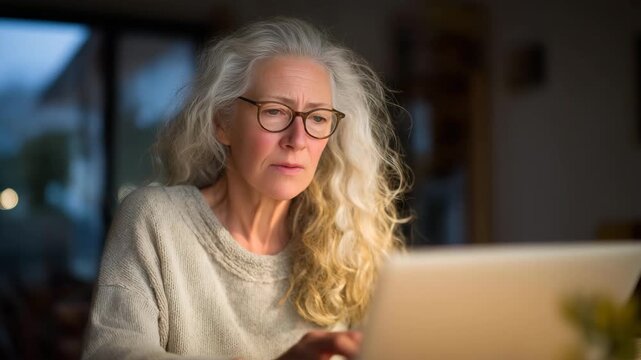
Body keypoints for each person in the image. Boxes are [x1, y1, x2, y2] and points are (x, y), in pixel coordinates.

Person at [82, 17, 408, 360]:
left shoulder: (345, 240)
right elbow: (111, 353)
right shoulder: (155, 219)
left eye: (317, 118)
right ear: (223, 124)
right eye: (274, 112)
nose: (298, 140)